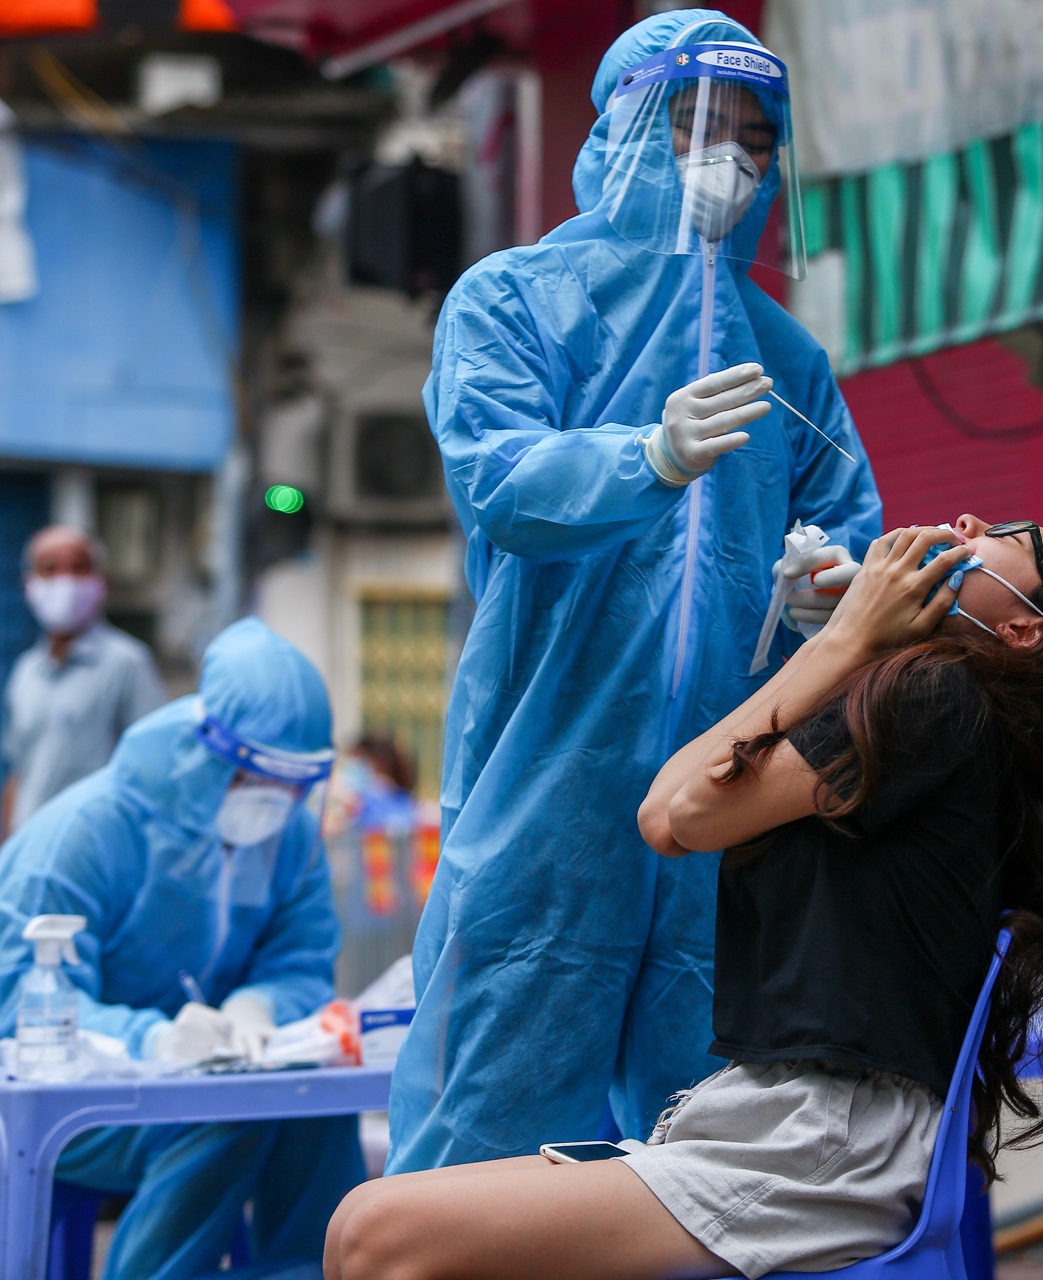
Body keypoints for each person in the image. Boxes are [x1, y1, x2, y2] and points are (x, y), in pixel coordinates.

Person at [324, 516, 1043, 1280]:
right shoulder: (953, 718)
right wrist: (848, 644)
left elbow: (682, 812)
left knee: (372, 1232)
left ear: (1023, 629)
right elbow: (665, 818)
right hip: (799, 1127)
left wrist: (844, 641)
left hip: (826, 1146)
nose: (974, 523)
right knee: (375, 1227)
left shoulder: (935, 702)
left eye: (1013, 536)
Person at [388, 8, 881, 1174]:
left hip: (729, 797)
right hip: (548, 785)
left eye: (757, 141)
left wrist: (832, 595)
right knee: (489, 1142)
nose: (734, 161)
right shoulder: (514, 301)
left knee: (706, 1152)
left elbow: (854, 531)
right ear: (621, 132)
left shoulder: (786, 354)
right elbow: (500, 481)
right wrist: (644, 456)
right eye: (700, 129)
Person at [0, 618, 364, 1280]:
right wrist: (155, 1042)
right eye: (254, 777)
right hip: (8, 1077)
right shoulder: (82, 834)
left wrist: (258, 1008)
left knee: (315, 1104)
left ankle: (317, 1270)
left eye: (295, 783)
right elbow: (27, 998)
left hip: (187, 1078)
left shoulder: (290, 841)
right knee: (223, 1114)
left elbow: (300, 962)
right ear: (207, 748)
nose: (276, 802)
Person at [0, 524, 164, 838]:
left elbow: (151, 767)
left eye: (78, 568)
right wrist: (2, 857)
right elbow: (17, 774)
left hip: (91, 852)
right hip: (29, 846)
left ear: (100, 582)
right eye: (51, 569)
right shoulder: (26, 670)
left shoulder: (127, 663)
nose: (65, 581)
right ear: (29, 585)